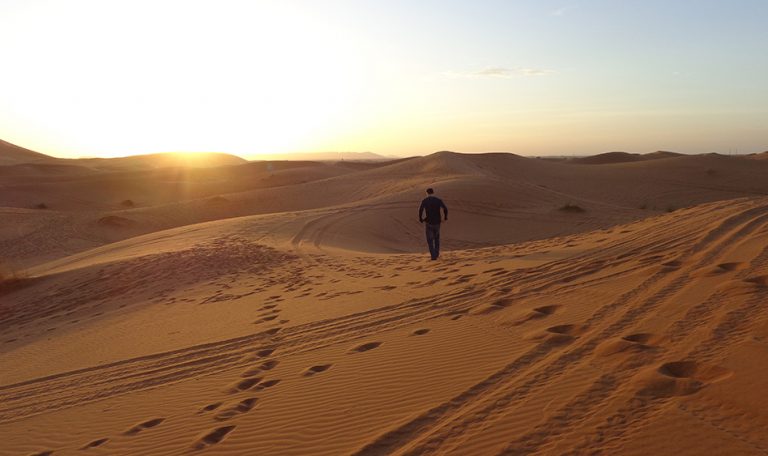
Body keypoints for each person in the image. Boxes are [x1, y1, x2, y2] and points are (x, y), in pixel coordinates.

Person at [418, 188, 448, 260]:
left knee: (430, 240)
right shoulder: (438, 200)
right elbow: (445, 209)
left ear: (427, 193)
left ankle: (433, 256)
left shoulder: (425, 201)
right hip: (437, 222)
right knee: (437, 238)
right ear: (433, 192)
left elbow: (420, 209)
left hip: (429, 222)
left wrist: (421, 219)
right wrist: (445, 217)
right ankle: (436, 254)